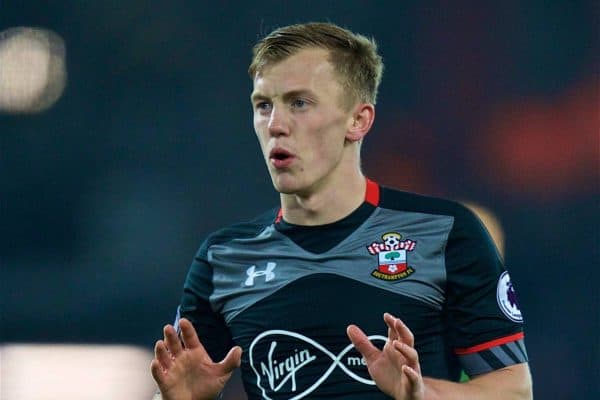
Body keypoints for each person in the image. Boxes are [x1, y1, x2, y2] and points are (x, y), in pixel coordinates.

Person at [150, 22, 532, 400]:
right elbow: (181, 385)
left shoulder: (446, 234)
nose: (276, 125)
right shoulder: (224, 259)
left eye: (299, 103)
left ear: (358, 120)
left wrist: (423, 395)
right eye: (263, 105)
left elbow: (514, 391)